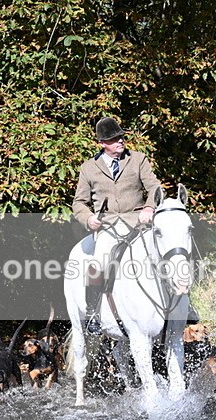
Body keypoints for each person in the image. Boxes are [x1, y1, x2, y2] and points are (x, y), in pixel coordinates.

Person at [72, 117, 163, 334]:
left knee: (167, 253)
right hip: (109, 226)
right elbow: (79, 203)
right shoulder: (88, 168)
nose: (120, 142)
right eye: (114, 139)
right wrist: (88, 219)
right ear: (102, 143)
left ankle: (183, 310)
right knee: (98, 263)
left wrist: (150, 208)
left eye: (121, 137)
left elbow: (155, 188)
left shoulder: (138, 159)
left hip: (138, 223)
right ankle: (93, 314)